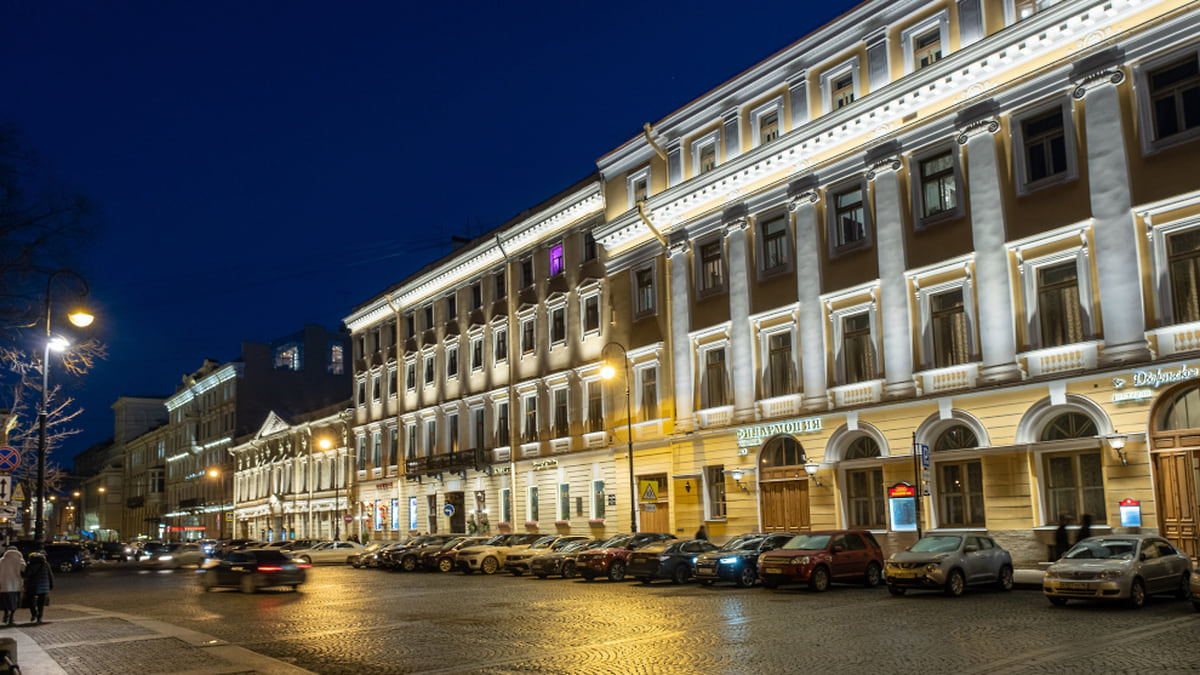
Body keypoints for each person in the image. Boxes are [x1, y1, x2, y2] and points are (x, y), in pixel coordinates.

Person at [22, 550, 53, 625]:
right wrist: (51, 585)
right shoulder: (46, 564)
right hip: (44, 585)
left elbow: (27, 574)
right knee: (41, 602)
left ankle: (34, 613)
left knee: (29, 599)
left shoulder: (30, 564)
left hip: (33, 586)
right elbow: (50, 575)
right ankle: (40, 616)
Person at [0, 547, 25, 626]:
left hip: (4, 585)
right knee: (15, 601)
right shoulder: (20, 561)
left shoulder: (2, 561)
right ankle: (11, 617)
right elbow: (24, 571)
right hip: (16, 585)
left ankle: (6, 614)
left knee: (6, 601)